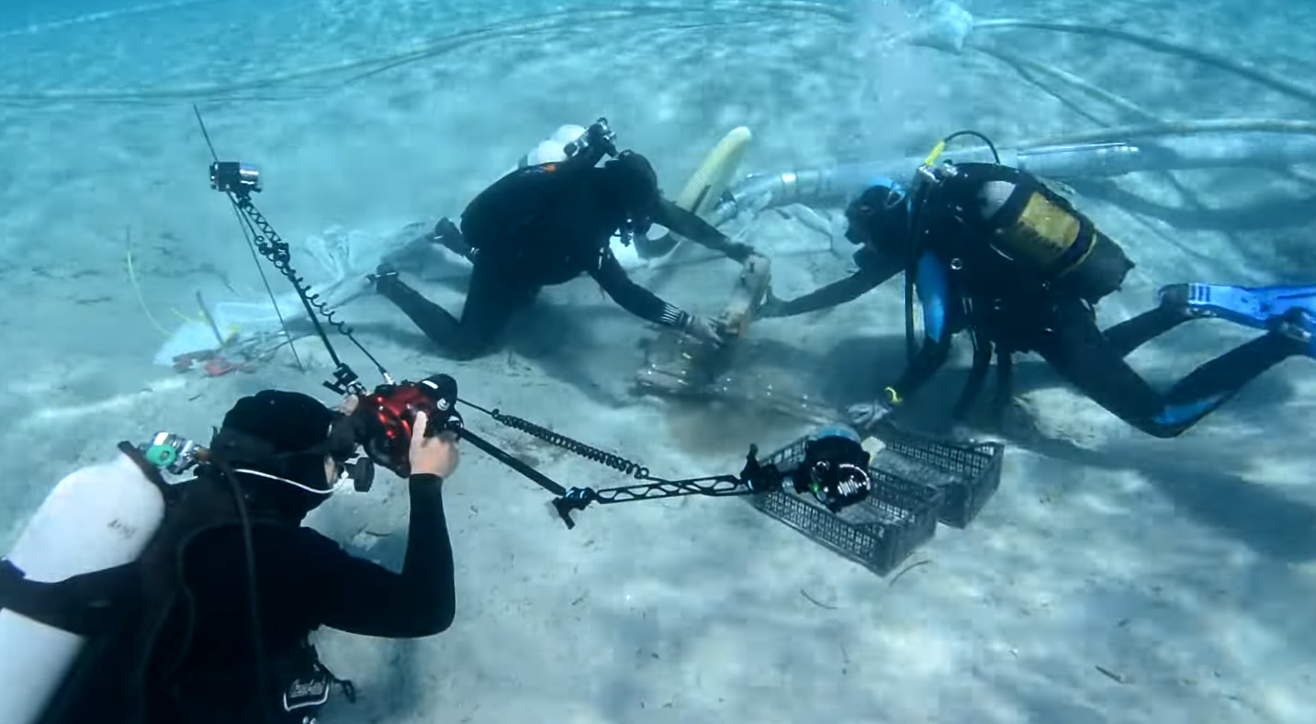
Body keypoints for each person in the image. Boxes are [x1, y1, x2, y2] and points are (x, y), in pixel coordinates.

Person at [758, 158, 1316, 438]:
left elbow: (932, 347)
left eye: (866, 239)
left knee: (1161, 418)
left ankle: (1283, 340)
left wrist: (888, 399)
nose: (867, 253)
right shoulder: (942, 223)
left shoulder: (929, 257)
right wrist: (781, 309)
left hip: (1053, 322)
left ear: (884, 230)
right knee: (1084, 354)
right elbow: (856, 283)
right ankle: (1173, 311)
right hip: (1058, 304)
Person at [27, 389, 461, 724]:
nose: (338, 471)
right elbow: (426, 609)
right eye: (331, 461)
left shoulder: (171, 503)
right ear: (296, 471)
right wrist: (426, 482)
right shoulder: (283, 559)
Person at [372, 121, 757, 360]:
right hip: (507, 261)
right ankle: (389, 285)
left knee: (528, 287)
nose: (647, 217)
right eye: (643, 211)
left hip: (529, 246)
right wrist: (688, 322)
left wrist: (735, 249)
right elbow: (625, 292)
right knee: (468, 344)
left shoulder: (614, 186)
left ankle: (455, 240)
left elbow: (676, 217)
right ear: (625, 203)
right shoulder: (583, 226)